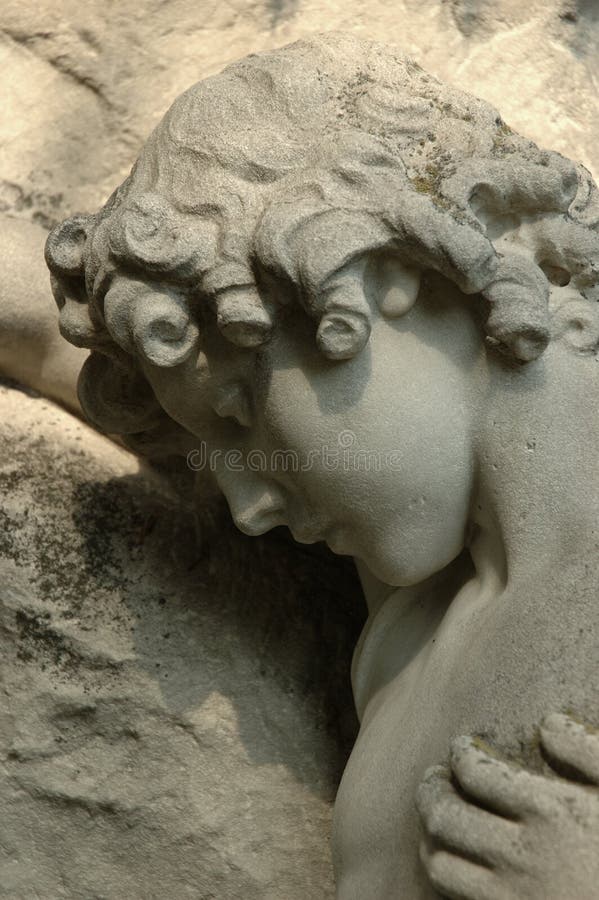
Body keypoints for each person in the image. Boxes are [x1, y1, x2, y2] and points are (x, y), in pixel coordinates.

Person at [35, 31, 599, 899]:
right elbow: (43, 334)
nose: (247, 506)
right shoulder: (419, 621)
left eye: (239, 408)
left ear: (383, 274)